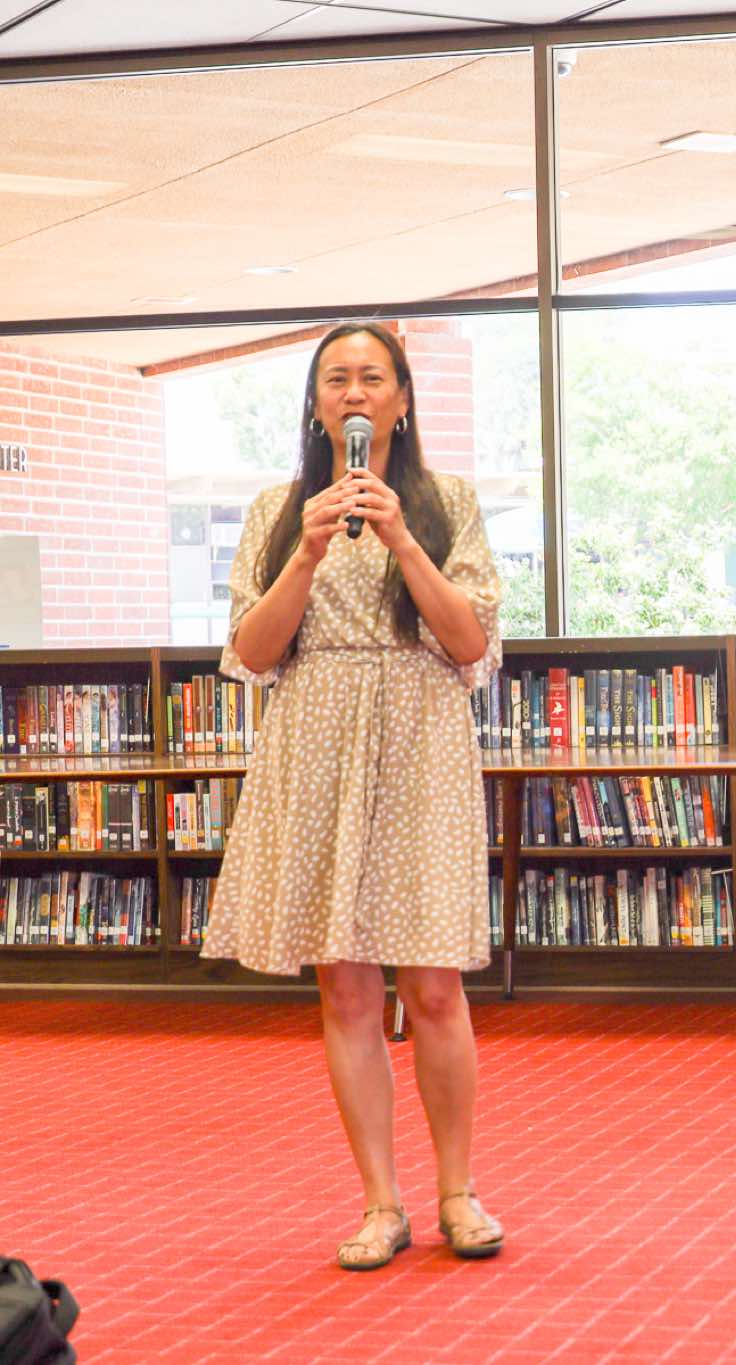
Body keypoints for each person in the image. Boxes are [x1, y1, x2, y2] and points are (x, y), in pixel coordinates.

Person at [205, 321, 506, 1271]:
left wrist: (403, 539)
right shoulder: (277, 509)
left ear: (402, 400)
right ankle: (381, 1201)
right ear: (316, 403)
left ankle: (458, 1191)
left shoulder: (448, 503)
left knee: (435, 983)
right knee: (345, 985)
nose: (354, 393)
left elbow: (468, 642)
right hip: (317, 740)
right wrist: (303, 553)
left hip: (421, 739)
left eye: (373, 377)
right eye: (335, 379)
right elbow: (254, 654)